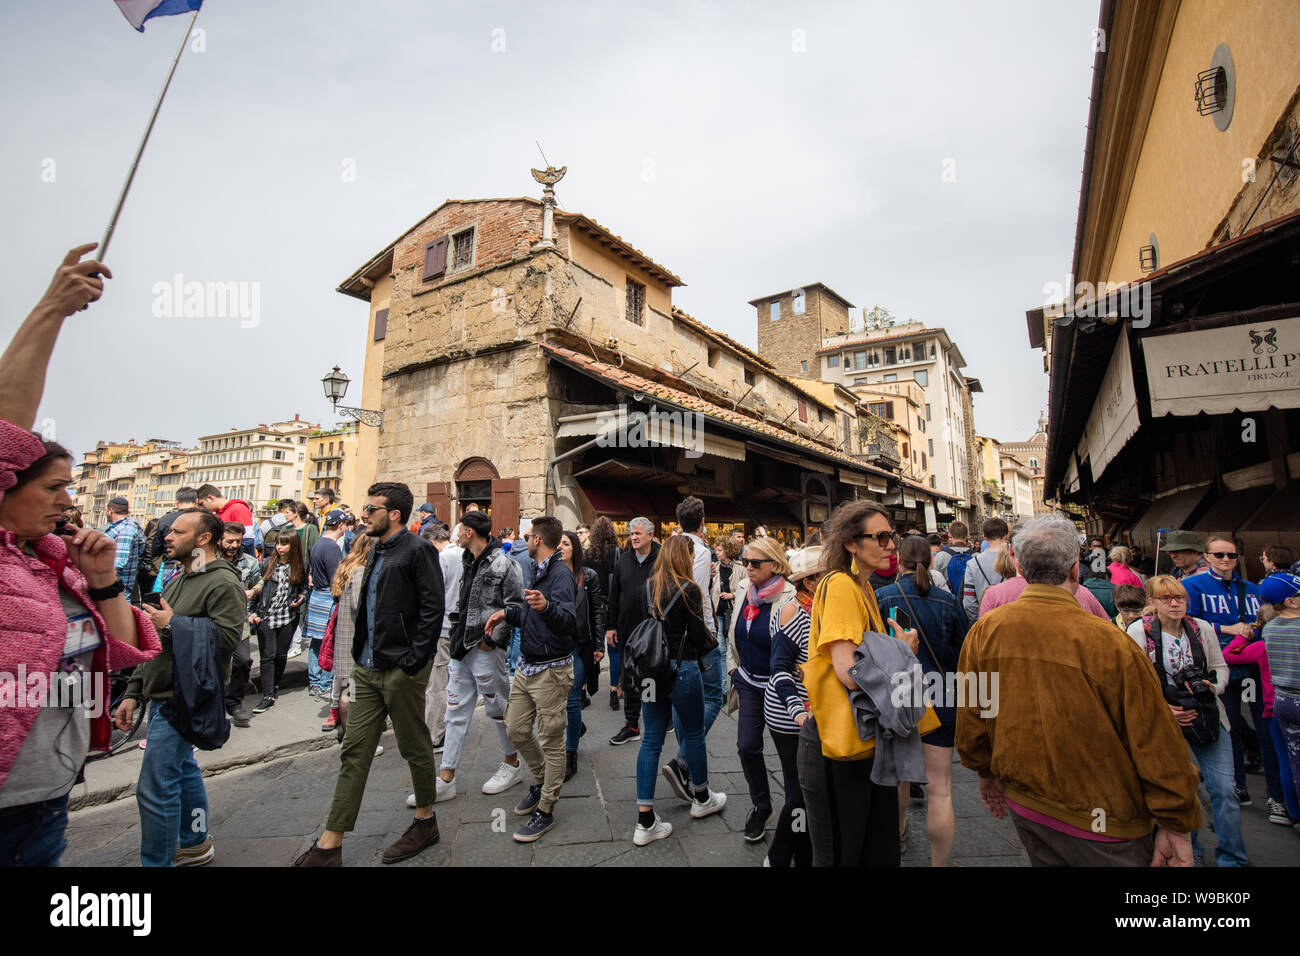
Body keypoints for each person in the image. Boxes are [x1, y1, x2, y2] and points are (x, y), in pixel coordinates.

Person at [957, 516, 1201, 867]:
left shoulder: (985, 632)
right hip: (1105, 821)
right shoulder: (1111, 642)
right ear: (1075, 569)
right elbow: (1155, 741)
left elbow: (973, 714)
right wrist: (1177, 822)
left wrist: (984, 772)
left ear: (1019, 566)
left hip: (1029, 805)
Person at [0, 427, 159, 866]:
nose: (67, 501)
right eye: (53, 487)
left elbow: (124, 650)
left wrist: (103, 579)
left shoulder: (58, 564)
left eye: (68, 487)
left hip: (50, 791)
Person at [294, 482, 445, 866]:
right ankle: (330, 844)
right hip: (366, 668)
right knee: (354, 752)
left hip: (401, 671)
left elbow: (432, 610)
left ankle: (425, 821)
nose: (363, 513)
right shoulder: (375, 547)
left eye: (371, 508)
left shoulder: (418, 549)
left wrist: (413, 663)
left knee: (414, 746)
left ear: (394, 514)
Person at [117, 510, 247, 866]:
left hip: (184, 698)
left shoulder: (223, 583)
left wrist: (173, 623)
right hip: (161, 693)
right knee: (183, 770)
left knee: (155, 788)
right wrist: (133, 690)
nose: (167, 537)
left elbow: (226, 641)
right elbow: (155, 641)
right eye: (168, 531)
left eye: (177, 531)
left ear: (203, 539)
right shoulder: (179, 577)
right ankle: (195, 842)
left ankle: (157, 863)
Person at [798, 500, 920, 866]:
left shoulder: (861, 587)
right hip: (837, 749)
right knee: (844, 855)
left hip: (861, 742)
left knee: (872, 850)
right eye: (881, 537)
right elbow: (847, 671)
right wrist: (900, 650)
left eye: (892, 536)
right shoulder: (840, 586)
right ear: (851, 543)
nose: (891, 546)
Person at [1127, 575, 1247, 866]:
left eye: (1179, 598)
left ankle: (1232, 857)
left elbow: (1219, 666)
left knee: (1224, 789)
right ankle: (1188, 850)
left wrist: (1212, 687)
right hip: (1165, 721)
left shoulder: (1201, 628)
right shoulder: (1139, 632)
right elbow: (1132, 680)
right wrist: (1164, 708)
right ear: (1152, 603)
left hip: (1207, 715)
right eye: (1166, 598)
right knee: (1181, 790)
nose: (1174, 603)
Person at [876, 536, 969, 866]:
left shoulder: (882, 597)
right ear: (930, 562)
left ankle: (898, 833)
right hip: (942, 694)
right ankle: (939, 863)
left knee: (899, 778)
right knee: (940, 788)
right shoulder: (947, 600)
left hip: (900, 696)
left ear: (898, 560)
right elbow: (963, 655)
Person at [482, 516, 574, 843]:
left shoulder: (561, 575)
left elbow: (567, 622)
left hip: (552, 669)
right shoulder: (537, 568)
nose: (527, 537)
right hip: (527, 665)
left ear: (538, 540)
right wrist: (507, 613)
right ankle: (538, 782)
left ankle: (546, 808)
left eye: (531, 534)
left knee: (551, 739)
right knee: (516, 728)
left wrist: (547, 606)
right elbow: (529, 613)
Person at [630, 535, 727, 845]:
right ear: (684, 558)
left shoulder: (649, 586)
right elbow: (698, 635)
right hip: (681, 670)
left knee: (651, 740)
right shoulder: (690, 590)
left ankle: (645, 820)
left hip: (649, 674)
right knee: (695, 734)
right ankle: (701, 797)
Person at [432, 511, 523, 803]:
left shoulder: (504, 563)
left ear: (470, 532)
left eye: (460, 529)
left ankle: (512, 763)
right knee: (455, 711)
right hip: (462, 645)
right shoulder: (465, 559)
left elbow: (515, 606)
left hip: (484, 648)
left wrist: (492, 640)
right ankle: (446, 776)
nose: (456, 533)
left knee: (498, 709)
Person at [713, 535, 795, 843]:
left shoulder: (789, 596)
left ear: (775, 565)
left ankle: (795, 811)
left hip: (780, 687)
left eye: (755, 563)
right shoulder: (745, 589)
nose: (748, 567)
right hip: (747, 681)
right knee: (747, 746)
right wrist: (733, 667)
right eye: (746, 561)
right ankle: (762, 805)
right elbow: (734, 630)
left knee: (790, 757)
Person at [1181, 533, 1262, 805]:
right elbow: (1188, 621)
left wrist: (1253, 629)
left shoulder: (1251, 588)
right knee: (1232, 727)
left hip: (1252, 665)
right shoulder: (1193, 585)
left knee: (1264, 727)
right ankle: (1238, 784)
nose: (1226, 560)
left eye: (1231, 555)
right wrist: (1226, 628)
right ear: (1207, 557)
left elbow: (1263, 618)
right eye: (1219, 555)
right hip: (1219, 664)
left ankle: (1278, 795)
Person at [763, 545, 824, 867]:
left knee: (807, 792)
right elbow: (780, 668)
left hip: (814, 714)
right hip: (789, 717)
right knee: (800, 794)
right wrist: (797, 709)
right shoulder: (793, 611)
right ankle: (780, 856)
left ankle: (801, 854)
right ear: (811, 582)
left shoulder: (821, 609)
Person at [1225, 597, 1296, 826]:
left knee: (1283, 758)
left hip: (1273, 708)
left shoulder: (1261, 647)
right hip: (1288, 701)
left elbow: (1230, 655)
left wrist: (1241, 637)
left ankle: (1285, 805)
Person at [606, 517, 659, 742]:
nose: (634, 537)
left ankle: (653, 719)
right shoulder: (625, 560)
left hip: (651, 631)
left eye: (638, 533)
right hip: (627, 628)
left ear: (650, 535)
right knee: (629, 677)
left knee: (649, 676)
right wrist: (610, 626)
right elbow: (614, 594)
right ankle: (632, 724)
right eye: (632, 534)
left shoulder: (661, 559)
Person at [559, 531, 605, 781]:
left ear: (575, 548)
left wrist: (599, 645)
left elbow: (597, 610)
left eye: (566, 543)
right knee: (558, 700)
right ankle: (578, 728)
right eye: (558, 544)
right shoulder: (551, 574)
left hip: (580, 644)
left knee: (573, 698)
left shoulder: (588, 577)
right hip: (557, 646)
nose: (561, 547)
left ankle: (571, 754)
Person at [246, 531, 308, 713]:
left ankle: (273, 686)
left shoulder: (299, 566)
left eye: (284, 544)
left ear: (293, 546)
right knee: (267, 656)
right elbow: (255, 588)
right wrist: (251, 612)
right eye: (278, 543)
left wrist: (301, 598)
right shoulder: (267, 564)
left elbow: (304, 588)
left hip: (288, 616)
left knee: (281, 655)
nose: (279, 547)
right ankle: (267, 695)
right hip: (266, 616)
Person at [325, 533, 377, 739]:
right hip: (354, 638)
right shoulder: (360, 571)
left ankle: (349, 735)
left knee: (347, 688)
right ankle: (353, 737)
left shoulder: (347, 567)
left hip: (345, 636)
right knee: (352, 691)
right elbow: (359, 605)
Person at [413, 522, 460, 750]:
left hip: (441, 628)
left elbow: (431, 593)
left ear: (432, 543)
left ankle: (434, 733)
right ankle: (452, 727)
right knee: (456, 681)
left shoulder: (441, 559)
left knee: (437, 684)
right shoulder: (464, 554)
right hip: (460, 628)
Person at [1261, 573, 1300, 823]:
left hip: (1283, 700)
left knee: (1294, 762)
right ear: (1291, 602)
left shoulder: (1270, 628)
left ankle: (1296, 814)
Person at [218, 522, 262, 728]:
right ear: (219, 540)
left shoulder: (249, 562)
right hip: (213, 621)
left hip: (239, 621)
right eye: (230, 541)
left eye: (238, 541)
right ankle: (214, 705)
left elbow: (259, 582)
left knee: (243, 661)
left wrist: (253, 592)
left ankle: (234, 701)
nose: (234, 545)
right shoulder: (206, 559)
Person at [305, 509, 348, 701]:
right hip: (327, 597)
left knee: (316, 642)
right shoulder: (331, 547)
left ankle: (314, 682)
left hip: (316, 596)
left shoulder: (318, 543)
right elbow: (336, 578)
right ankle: (323, 684)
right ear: (341, 525)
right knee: (328, 642)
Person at [585, 515, 621, 700]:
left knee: (591, 647)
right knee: (614, 649)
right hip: (610, 604)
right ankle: (614, 689)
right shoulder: (616, 552)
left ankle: (584, 687)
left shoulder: (587, 554)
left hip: (592, 605)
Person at [960, 518, 1010, 624]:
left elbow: (969, 603)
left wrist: (978, 621)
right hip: (1011, 620)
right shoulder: (1015, 559)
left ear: (984, 538)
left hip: (985, 621)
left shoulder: (973, 563)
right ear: (1007, 535)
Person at [102, 497, 144, 605]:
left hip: (118, 588)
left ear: (110, 511)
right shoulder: (123, 526)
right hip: (116, 587)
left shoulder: (125, 529)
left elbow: (119, 562)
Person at [194, 485, 254, 556]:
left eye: (202, 504)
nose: (202, 508)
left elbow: (247, 539)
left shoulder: (238, 508)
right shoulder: (217, 514)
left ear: (210, 498)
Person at [932, 520, 971, 585]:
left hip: (948, 594)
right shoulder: (977, 556)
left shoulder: (941, 556)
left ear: (950, 535)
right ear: (967, 535)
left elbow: (936, 581)